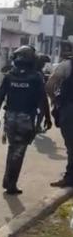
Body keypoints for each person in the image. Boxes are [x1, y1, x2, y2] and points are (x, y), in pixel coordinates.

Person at [0, 46, 47, 195]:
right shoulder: (36, 77)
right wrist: (47, 118)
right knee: (19, 152)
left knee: (12, 148)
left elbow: (0, 96)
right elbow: (43, 99)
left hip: (9, 117)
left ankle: (7, 179)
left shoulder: (10, 76)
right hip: (26, 118)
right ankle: (11, 184)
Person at [47, 41, 73, 188]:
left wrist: (55, 100)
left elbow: (49, 85)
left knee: (71, 145)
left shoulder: (66, 65)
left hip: (69, 109)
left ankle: (70, 178)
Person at [35, 54, 52, 134]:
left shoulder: (36, 71)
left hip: (32, 96)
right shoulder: (38, 72)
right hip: (38, 96)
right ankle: (37, 126)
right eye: (43, 63)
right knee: (41, 111)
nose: (44, 65)